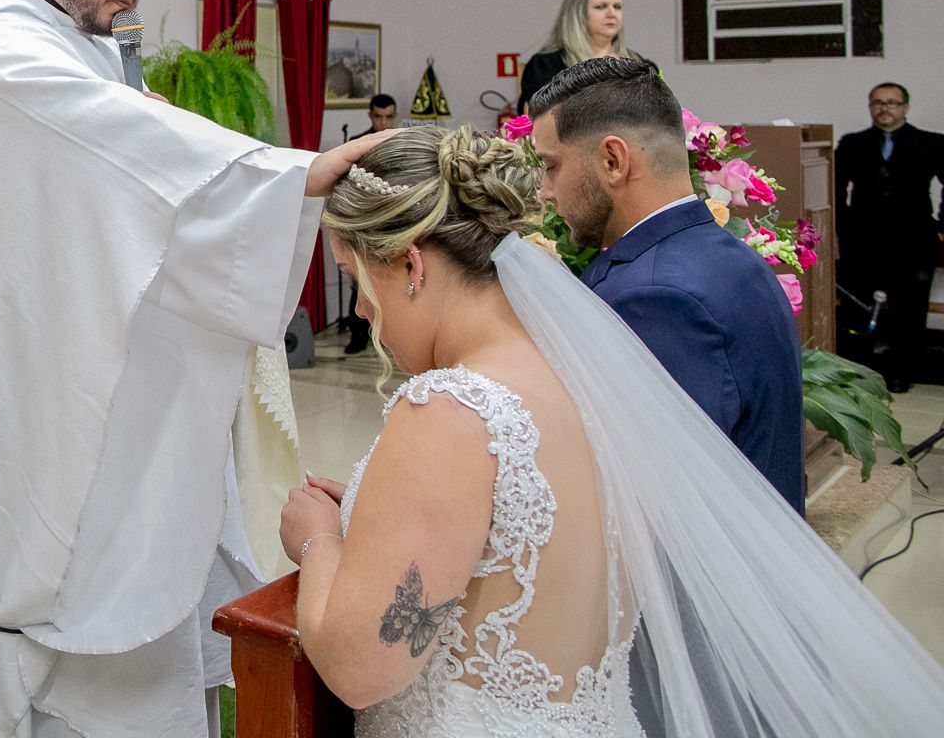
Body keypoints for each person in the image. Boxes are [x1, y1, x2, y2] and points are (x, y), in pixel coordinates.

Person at [0, 0, 387, 738]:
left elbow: (139, 183)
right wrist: (294, 173)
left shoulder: (85, 49)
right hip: (15, 383)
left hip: (84, 352)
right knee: (21, 575)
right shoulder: (5, 57)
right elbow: (135, 152)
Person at [278, 124, 944, 736]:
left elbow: (364, 668)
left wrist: (316, 540)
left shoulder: (450, 410)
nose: (364, 309)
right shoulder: (592, 372)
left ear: (410, 266)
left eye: (356, 279)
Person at [529, 57, 802, 509]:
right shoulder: (731, 258)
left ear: (613, 160)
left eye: (551, 165)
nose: (544, 190)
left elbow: (653, 501)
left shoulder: (656, 298)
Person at [835, 83, 944, 392]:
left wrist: (941, 224)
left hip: (914, 241)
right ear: (871, 107)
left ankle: (902, 373)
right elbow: (836, 187)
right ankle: (860, 373)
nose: (885, 108)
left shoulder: (930, 143)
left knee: (910, 310)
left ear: (905, 108)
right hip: (863, 242)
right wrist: (843, 227)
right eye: (878, 103)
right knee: (858, 310)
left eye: (893, 103)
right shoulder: (852, 144)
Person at [517, 0, 651, 114]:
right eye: (601, 7)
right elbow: (535, 125)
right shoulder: (545, 66)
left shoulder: (641, 66)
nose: (612, 14)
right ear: (578, 14)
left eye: (617, 7)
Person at [344, 94, 399, 354]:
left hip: (394, 219)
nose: (384, 123)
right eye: (379, 117)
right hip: (364, 220)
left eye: (389, 117)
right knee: (360, 276)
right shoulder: (356, 144)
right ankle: (358, 334)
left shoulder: (404, 143)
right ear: (370, 116)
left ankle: (394, 334)